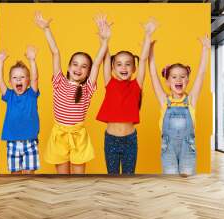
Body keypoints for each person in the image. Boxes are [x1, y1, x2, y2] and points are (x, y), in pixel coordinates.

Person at [34, 12, 111, 174]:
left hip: (78, 136)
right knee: (63, 178)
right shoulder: (59, 81)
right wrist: (46, 29)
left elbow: (97, 62)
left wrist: (104, 41)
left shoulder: (88, 88)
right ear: (68, 67)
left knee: (78, 179)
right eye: (75, 64)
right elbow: (55, 52)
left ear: (88, 72)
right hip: (59, 135)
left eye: (84, 66)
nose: (78, 69)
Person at [96, 19, 157, 174]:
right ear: (113, 68)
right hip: (111, 139)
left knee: (129, 176)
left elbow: (143, 59)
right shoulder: (110, 83)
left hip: (130, 140)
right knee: (112, 177)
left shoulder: (137, 85)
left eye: (128, 64)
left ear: (134, 68)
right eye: (119, 64)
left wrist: (148, 35)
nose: (124, 67)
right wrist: (105, 39)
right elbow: (105, 59)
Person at [148, 35, 211, 176]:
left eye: (182, 76)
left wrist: (205, 49)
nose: (178, 79)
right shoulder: (164, 100)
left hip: (187, 148)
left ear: (187, 80)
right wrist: (150, 51)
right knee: (171, 180)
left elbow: (201, 74)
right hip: (168, 148)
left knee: (187, 180)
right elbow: (153, 75)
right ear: (167, 82)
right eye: (174, 77)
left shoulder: (191, 100)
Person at [0, 46, 40, 174]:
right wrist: (0, 62)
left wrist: (32, 60)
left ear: (28, 81)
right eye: (15, 78)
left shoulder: (32, 94)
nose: (19, 80)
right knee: (14, 174)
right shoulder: (9, 95)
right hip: (12, 142)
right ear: (10, 82)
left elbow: (35, 78)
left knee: (28, 174)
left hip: (30, 141)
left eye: (22, 77)